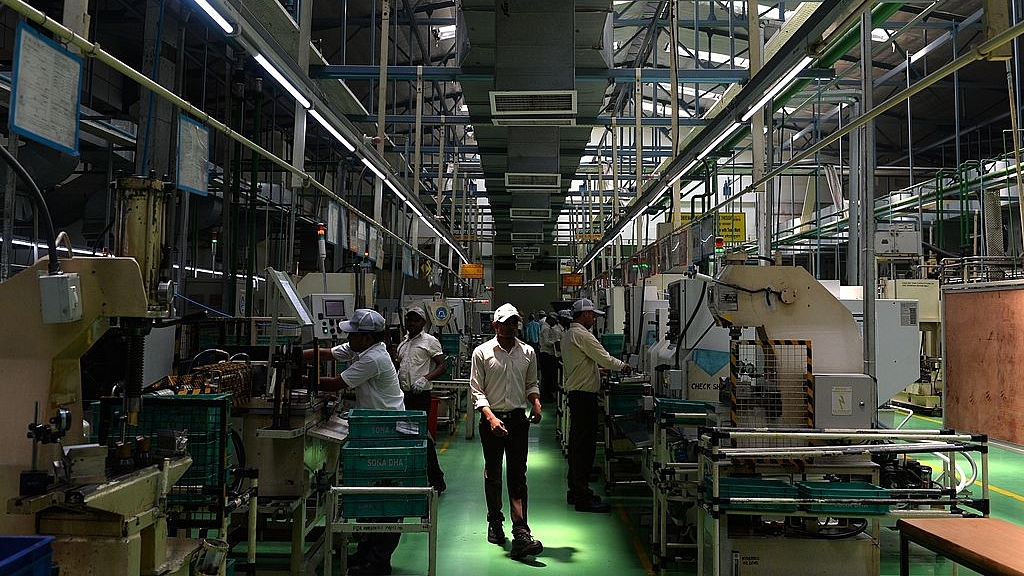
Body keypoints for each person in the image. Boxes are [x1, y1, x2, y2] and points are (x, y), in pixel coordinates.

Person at [303, 308, 404, 575]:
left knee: (385, 496)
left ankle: (379, 561)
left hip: (388, 432)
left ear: (367, 338)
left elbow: (336, 383)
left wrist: (301, 379)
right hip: (375, 430)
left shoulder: (374, 358)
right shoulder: (363, 348)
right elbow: (329, 353)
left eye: (353, 334)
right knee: (372, 492)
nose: (348, 337)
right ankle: (366, 552)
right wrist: (293, 357)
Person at [469, 303, 544, 560]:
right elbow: (477, 391)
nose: (512, 326)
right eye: (507, 322)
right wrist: (490, 418)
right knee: (493, 474)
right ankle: (494, 521)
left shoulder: (527, 352)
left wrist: (535, 402)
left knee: (517, 475)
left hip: (517, 421)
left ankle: (521, 530)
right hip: (491, 421)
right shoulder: (482, 352)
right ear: (495, 325)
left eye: (515, 322)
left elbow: (531, 383)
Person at [560, 298, 633, 513]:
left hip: (578, 395)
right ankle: (583, 497)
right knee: (584, 447)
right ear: (584, 315)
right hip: (584, 398)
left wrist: (595, 372)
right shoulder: (582, 335)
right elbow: (604, 358)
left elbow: (582, 363)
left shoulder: (570, 335)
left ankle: (575, 490)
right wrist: (625, 367)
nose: (594, 319)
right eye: (592, 315)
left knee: (577, 445)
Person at [395, 306, 447, 492]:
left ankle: (437, 480)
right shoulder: (403, 344)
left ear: (423, 322)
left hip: (420, 396)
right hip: (403, 396)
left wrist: (425, 378)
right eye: (409, 319)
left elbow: (442, 365)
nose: (411, 323)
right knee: (403, 435)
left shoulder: (430, 342)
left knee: (422, 436)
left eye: (416, 320)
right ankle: (411, 476)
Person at [537, 313, 559, 403]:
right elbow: (546, 342)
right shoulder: (545, 328)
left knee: (547, 376)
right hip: (545, 354)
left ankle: (546, 394)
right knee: (546, 376)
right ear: (550, 319)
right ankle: (544, 395)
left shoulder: (547, 327)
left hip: (547, 354)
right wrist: (556, 342)